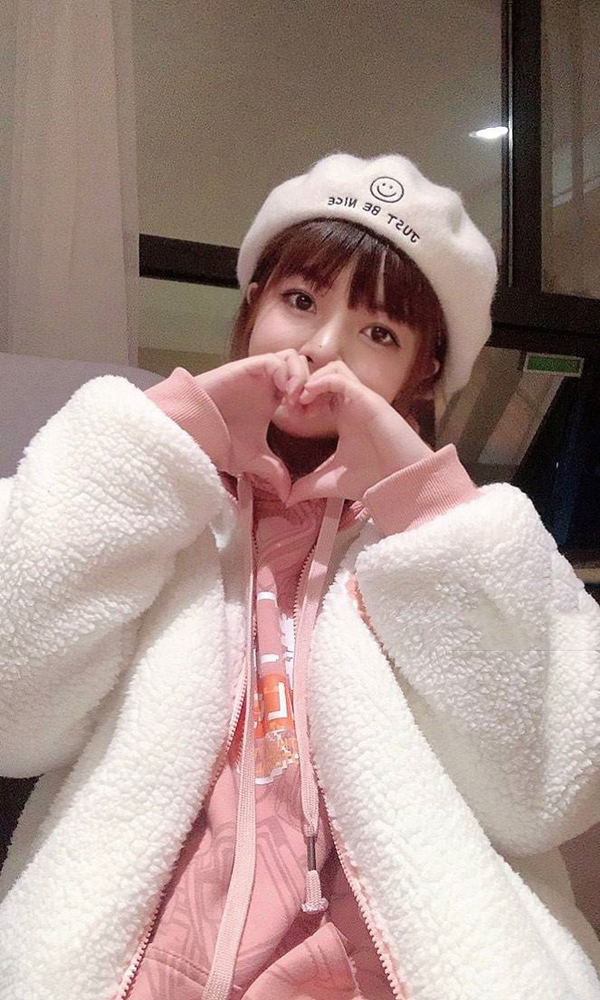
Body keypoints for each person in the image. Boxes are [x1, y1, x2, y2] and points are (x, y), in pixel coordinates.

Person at [0, 153, 599, 1000]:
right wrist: (159, 441)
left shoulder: (467, 541)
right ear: (253, 306)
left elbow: (548, 790)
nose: (322, 349)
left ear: (425, 370)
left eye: (379, 333)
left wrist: (426, 508)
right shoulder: (147, 499)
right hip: (143, 958)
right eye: (301, 301)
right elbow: (14, 710)